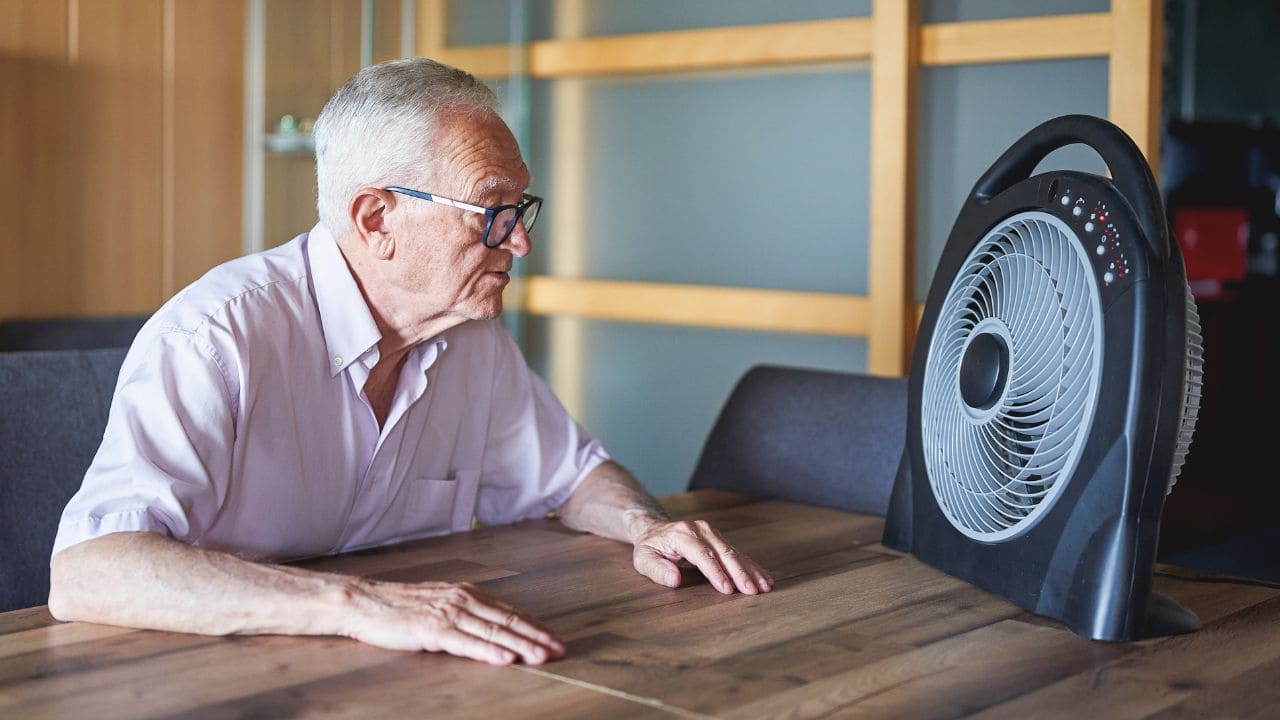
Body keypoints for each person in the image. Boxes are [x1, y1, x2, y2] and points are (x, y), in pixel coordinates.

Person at [47, 58, 771, 667]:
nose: (518, 242)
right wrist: (356, 605)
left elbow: (572, 476)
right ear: (376, 219)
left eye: (522, 208)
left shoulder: (469, 337)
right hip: (206, 672)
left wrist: (646, 527)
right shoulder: (217, 335)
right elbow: (88, 572)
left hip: (411, 669)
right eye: (491, 210)